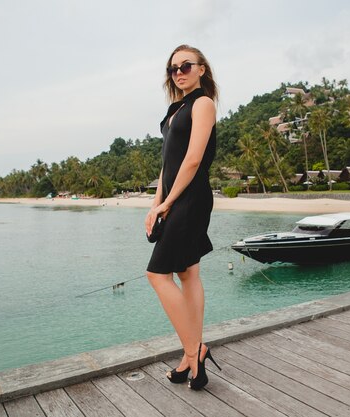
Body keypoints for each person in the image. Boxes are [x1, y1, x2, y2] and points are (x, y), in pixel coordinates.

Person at [145, 44, 220, 391]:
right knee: (187, 273)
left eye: (186, 66)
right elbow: (167, 165)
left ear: (201, 69)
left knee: (157, 274)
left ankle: (195, 352)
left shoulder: (203, 104)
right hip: (175, 199)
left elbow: (192, 162)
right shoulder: (176, 109)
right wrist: (156, 204)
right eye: (173, 68)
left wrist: (169, 203)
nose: (179, 73)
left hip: (191, 199)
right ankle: (191, 357)